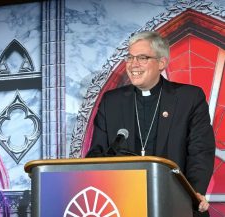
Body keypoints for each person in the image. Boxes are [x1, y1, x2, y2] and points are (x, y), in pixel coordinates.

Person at [87, 31, 215, 216]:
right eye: (130, 57)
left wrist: (193, 193)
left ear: (162, 63)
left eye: (142, 58)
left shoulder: (189, 98)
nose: (133, 64)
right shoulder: (112, 101)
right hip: (122, 204)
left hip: (176, 201)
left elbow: (200, 150)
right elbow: (97, 153)